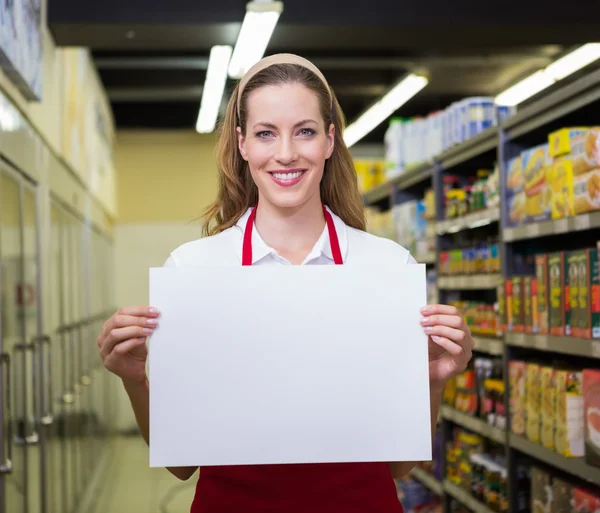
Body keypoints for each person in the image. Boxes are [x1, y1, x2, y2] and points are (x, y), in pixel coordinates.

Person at [97, 53, 474, 513]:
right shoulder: (193, 272)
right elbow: (182, 465)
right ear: (242, 144)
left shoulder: (387, 268)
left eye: (305, 131)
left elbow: (400, 467)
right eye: (265, 133)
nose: (286, 153)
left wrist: (432, 381)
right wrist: (135, 380)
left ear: (330, 140)